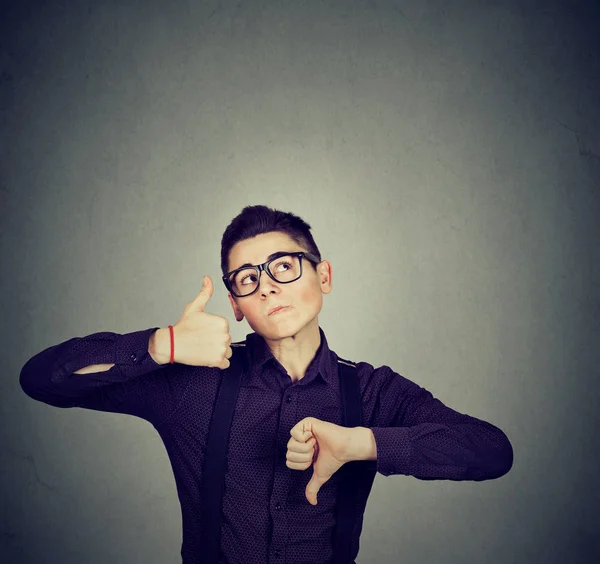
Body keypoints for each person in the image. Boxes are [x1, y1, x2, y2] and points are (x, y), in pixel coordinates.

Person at [20, 205, 513, 564]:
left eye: (283, 266)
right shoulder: (190, 385)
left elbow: (491, 451)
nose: (269, 285)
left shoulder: (370, 392)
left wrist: (361, 443)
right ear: (236, 305)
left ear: (324, 276)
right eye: (247, 278)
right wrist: (162, 344)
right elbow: (43, 379)